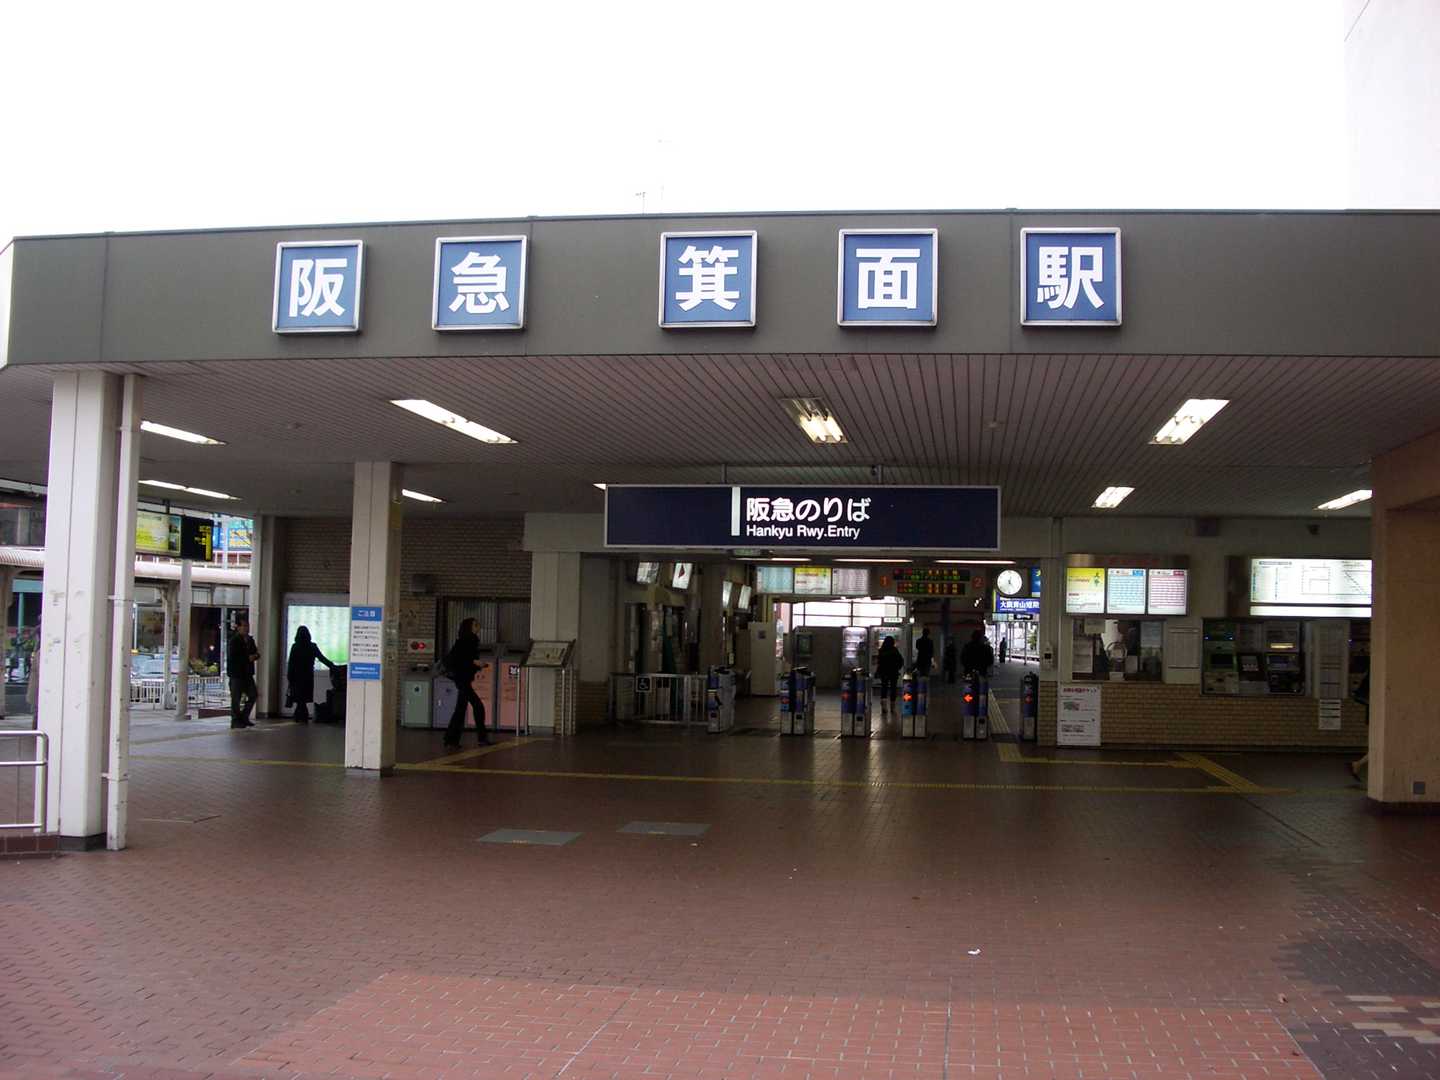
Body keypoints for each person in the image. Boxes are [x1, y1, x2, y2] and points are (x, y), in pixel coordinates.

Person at [443, 617, 489, 750]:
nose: (478, 626)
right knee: (477, 706)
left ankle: (451, 740)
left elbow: (464, 658)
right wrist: (475, 662)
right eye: (475, 624)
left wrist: (476, 663)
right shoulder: (468, 640)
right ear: (469, 627)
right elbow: (461, 659)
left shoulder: (467, 639)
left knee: (460, 709)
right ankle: (481, 738)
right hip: (462, 679)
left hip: (463, 679)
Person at [285, 625, 335, 723]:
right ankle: (302, 717)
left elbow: (291, 663)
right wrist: (332, 666)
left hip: (296, 677)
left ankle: (299, 717)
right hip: (308, 676)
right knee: (303, 699)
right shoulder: (312, 646)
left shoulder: (295, 647)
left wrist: (289, 677)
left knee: (300, 699)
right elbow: (322, 658)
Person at [228, 616, 260, 729]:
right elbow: (234, 657)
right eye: (244, 626)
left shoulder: (250, 640)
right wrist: (248, 658)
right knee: (236, 698)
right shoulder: (234, 641)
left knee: (253, 695)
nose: (247, 628)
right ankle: (235, 720)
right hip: (236, 674)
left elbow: (256, 652)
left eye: (248, 626)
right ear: (238, 627)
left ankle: (244, 717)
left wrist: (255, 656)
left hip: (248, 674)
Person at [874, 635, 904, 715]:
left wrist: (878, 671)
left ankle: (884, 706)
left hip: (884, 672)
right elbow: (901, 660)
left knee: (884, 688)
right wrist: (897, 668)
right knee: (893, 689)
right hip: (893, 672)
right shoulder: (895, 650)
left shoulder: (881, 650)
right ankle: (892, 707)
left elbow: (879, 662)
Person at [1350, 670, 1370, 780]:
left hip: (1373, 715)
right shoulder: (1376, 676)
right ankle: (1358, 764)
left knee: (1377, 747)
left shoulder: (1372, 675)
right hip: (1377, 715)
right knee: (1379, 747)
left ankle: (1358, 764)